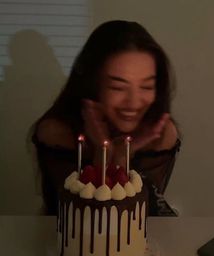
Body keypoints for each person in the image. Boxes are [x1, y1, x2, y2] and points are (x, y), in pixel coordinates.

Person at [32, 20, 181, 216]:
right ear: (92, 84)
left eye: (146, 86)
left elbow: (144, 214)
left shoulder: (161, 134)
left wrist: (120, 156)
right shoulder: (57, 133)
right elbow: (80, 220)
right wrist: (104, 153)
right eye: (118, 87)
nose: (134, 102)